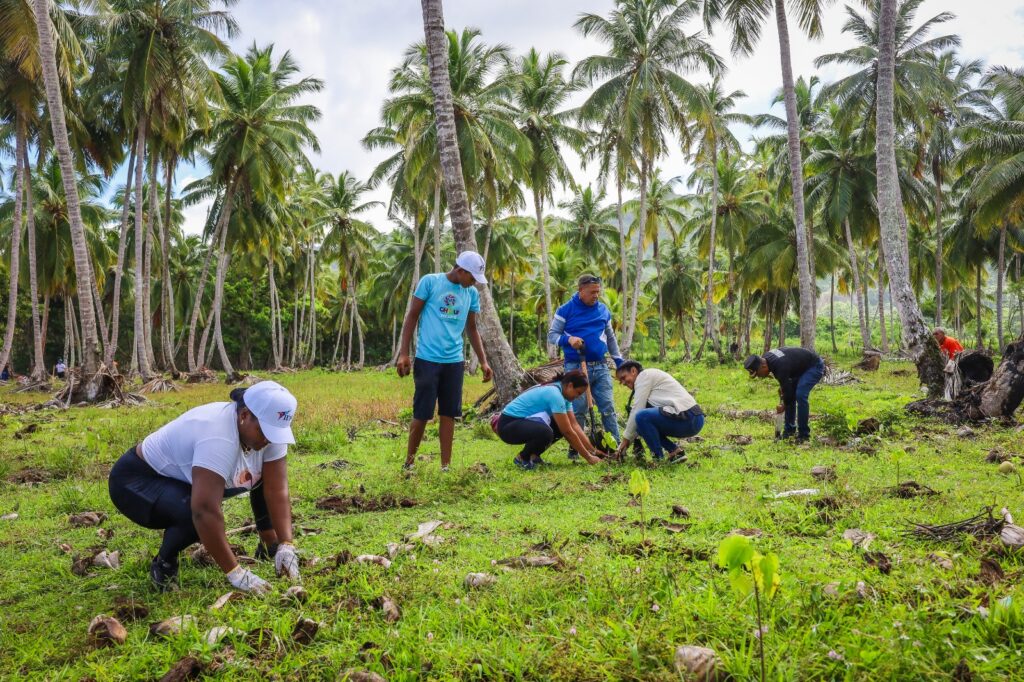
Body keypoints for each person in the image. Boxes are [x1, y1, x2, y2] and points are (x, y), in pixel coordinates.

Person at [108, 381, 301, 592]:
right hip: (137, 483)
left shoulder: (270, 433)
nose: (268, 439)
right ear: (244, 415)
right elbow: (204, 510)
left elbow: (276, 489)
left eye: (275, 433)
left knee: (260, 477)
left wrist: (286, 544)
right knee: (192, 512)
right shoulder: (218, 435)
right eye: (264, 431)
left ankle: (269, 543)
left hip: (185, 482)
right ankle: (164, 562)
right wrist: (236, 573)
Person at [397, 251, 493, 472]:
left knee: (449, 413)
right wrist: (404, 353)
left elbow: (472, 328)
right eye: (472, 278)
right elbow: (412, 316)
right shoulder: (430, 282)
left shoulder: (471, 294)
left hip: (454, 361)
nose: (473, 283)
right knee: (422, 413)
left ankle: (445, 466)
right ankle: (409, 463)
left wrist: (483, 361)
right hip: (427, 359)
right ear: (460, 270)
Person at [547, 274, 623, 459]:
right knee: (577, 410)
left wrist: (619, 360)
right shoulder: (565, 310)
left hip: (601, 366)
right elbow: (552, 335)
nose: (596, 295)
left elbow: (610, 338)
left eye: (598, 292)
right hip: (575, 368)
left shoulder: (603, 311)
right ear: (580, 291)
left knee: (608, 408)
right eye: (592, 292)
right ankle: (576, 449)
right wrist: (568, 339)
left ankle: (617, 448)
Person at [496, 371, 605, 470]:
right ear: (570, 385)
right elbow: (568, 432)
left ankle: (534, 456)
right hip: (508, 425)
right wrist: (588, 457)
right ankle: (523, 458)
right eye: (578, 393)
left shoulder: (564, 395)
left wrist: (593, 451)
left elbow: (574, 425)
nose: (577, 397)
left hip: (522, 422)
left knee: (558, 426)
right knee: (546, 432)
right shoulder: (555, 394)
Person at [613, 361, 704, 464]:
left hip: (690, 417)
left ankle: (658, 459)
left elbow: (636, 411)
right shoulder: (646, 381)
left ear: (633, 371)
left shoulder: (644, 376)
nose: (623, 383)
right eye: (620, 381)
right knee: (640, 423)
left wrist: (624, 441)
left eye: (623, 378)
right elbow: (639, 425)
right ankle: (675, 452)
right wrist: (625, 444)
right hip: (693, 419)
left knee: (641, 416)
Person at [745, 347, 825, 443]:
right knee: (787, 394)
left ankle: (804, 434)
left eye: (758, 374)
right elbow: (785, 382)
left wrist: (784, 405)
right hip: (798, 369)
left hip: (813, 366)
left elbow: (783, 373)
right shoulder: (767, 358)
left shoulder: (780, 366)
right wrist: (784, 389)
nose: (759, 376)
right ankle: (789, 431)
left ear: (763, 366)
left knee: (800, 394)